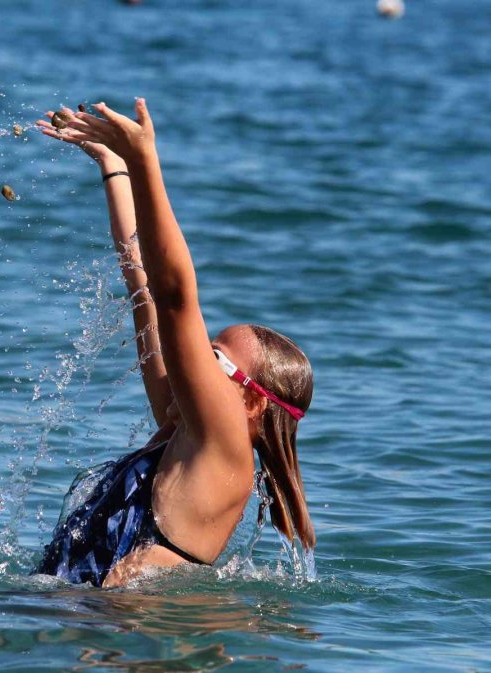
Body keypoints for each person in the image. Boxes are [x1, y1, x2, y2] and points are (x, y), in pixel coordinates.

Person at [34, 100, 315, 588]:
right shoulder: (180, 425)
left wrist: (146, 161)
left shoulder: (224, 446)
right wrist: (115, 167)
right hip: (82, 621)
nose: (192, 353)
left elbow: (175, 297)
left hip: (126, 644)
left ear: (251, 401)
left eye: (214, 357)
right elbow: (144, 284)